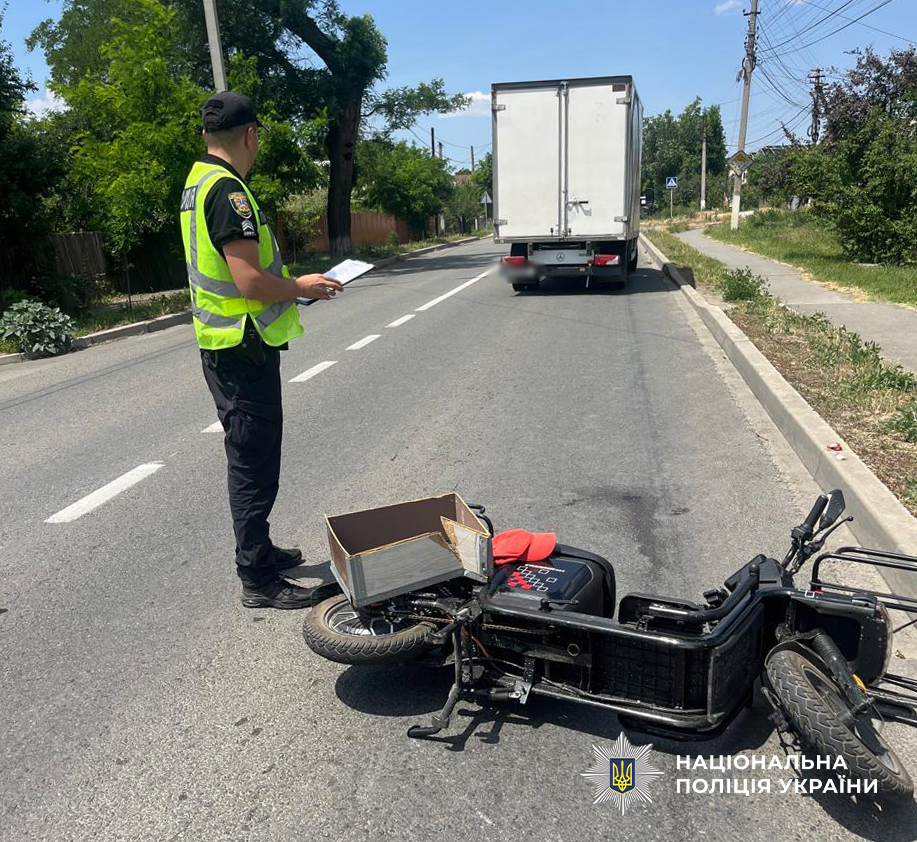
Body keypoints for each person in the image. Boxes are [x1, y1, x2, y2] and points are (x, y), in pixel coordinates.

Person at [179, 91, 343, 609]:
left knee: (253, 455)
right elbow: (249, 281)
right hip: (241, 346)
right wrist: (301, 286)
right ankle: (258, 578)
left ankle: (262, 550)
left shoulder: (197, 182)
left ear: (206, 134)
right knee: (253, 463)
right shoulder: (229, 192)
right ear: (250, 135)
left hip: (225, 343)